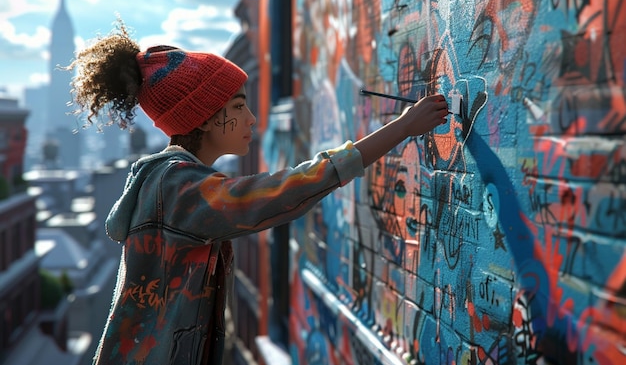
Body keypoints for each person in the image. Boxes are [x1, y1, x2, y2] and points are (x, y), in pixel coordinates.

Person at [67, 19, 449, 365]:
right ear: (206, 118)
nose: (251, 118)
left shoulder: (171, 182)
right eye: (239, 106)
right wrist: (401, 129)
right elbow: (283, 192)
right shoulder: (178, 189)